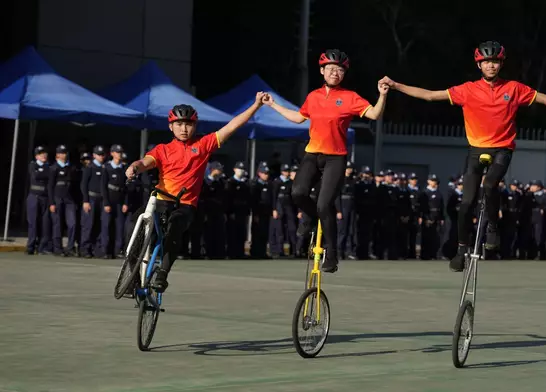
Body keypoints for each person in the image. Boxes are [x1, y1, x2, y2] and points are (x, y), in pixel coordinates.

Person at [379, 40, 546, 271]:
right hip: (476, 149)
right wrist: (396, 85)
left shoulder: (514, 89)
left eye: (495, 62)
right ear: (479, 65)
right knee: (466, 203)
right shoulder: (467, 90)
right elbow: (430, 95)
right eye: (487, 62)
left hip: (502, 148)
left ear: (501, 64)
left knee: (490, 185)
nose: (491, 66)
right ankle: (461, 250)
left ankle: (492, 228)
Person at [125, 93, 268, 292]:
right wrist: (134, 168)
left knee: (175, 227)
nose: (184, 129)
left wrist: (256, 105)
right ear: (171, 126)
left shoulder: (202, 145)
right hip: (160, 200)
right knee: (133, 224)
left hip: (184, 205)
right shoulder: (162, 149)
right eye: (179, 124)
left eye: (189, 124)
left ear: (195, 125)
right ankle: (132, 277)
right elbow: (144, 163)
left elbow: (232, 126)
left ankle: (162, 274)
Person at [263, 49, 389, 272]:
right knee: (298, 193)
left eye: (339, 70)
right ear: (322, 71)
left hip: (336, 158)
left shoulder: (350, 97)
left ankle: (331, 254)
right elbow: (297, 117)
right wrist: (273, 105)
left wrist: (383, 94)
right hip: (313, 154)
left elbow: (375, 114)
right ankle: (310, 218)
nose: (335, 73)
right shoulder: (313, 96)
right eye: (331, 69)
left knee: (324, 204)